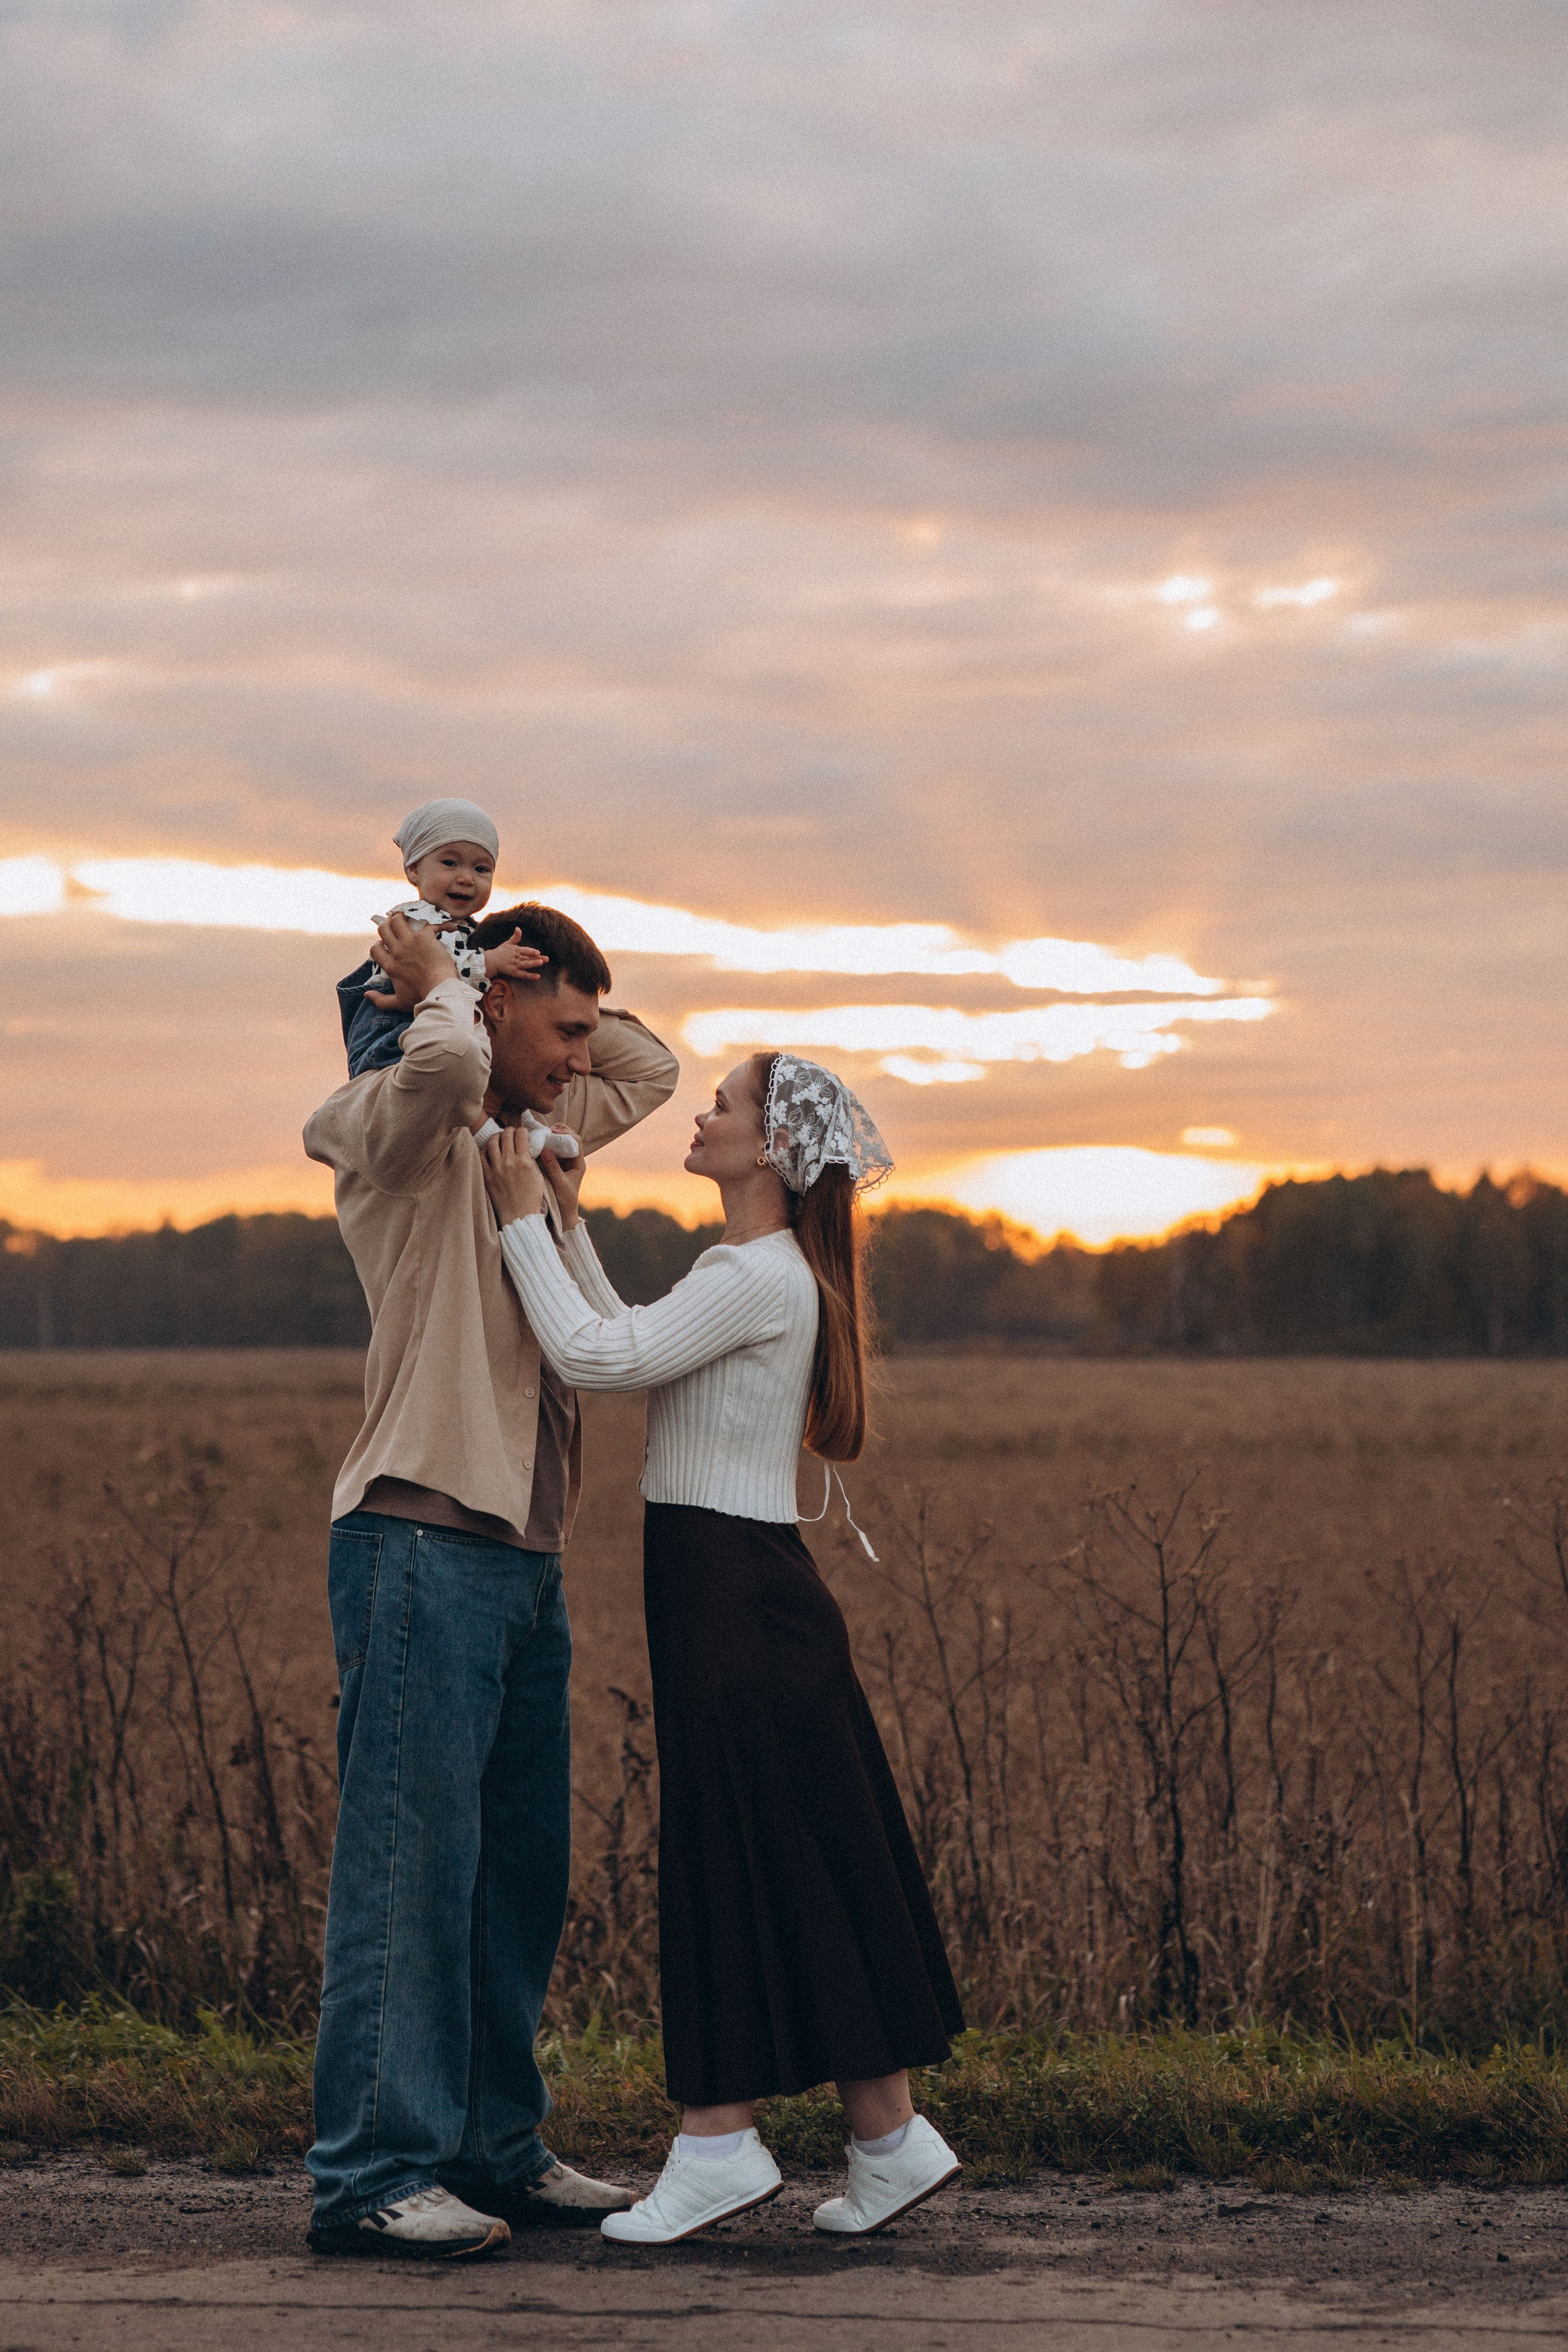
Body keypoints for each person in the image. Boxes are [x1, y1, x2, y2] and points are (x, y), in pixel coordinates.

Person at [481, 1049, 965, 2245]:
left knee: (728, 1850)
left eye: (725, 1106)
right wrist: (565, 1224)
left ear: (773, 1150)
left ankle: (715, 2143)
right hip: (741, 1589)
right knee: (798, 1855)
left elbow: (596, 1359)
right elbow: (627, 1332)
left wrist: (516, 1220)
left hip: (730, 1594)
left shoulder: (754, 1274)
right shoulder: (757, 1272)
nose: (700, 1116)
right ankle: (888, 2139)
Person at [302, 897, 678, 2259]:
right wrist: (447, 982)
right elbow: (454, 1062)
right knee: (410, 1877)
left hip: (523, 1559)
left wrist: (505, 978)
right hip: (421, 1541)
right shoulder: (400, 1122)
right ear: (495, 1011)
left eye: (583, 1031)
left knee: (512, 1878)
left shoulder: (535, 1137)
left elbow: (652, 1067)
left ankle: (492, 2153)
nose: (582, 1058)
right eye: (559, 1028)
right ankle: (370, 2175)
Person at [334, 797, 546, 1082]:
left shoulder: (466, 929)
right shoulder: (417, 922)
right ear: (414, 869)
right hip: (394, 1033)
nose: (466, 878)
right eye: (450, 863)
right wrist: (493, 961)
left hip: (433, 1027)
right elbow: (439, 970)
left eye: (481, 869)